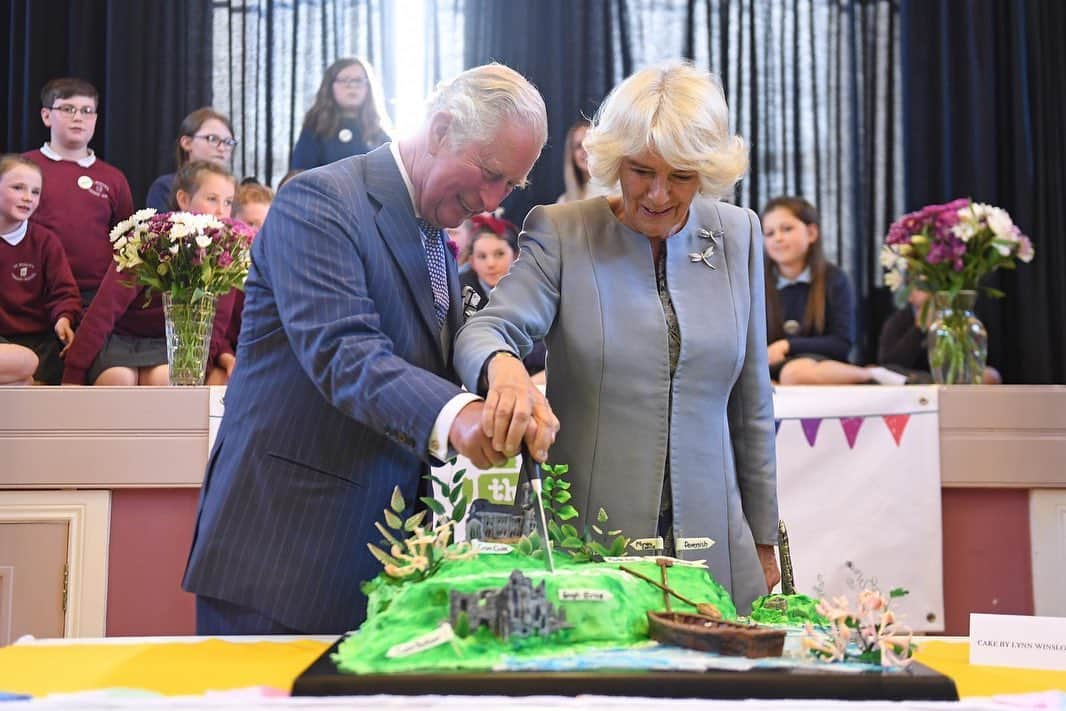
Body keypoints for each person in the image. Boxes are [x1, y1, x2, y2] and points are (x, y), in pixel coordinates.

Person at [183, 63, 556, 635]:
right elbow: (345, 352)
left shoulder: (433, 232)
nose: (490, 201)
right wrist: (461, 418)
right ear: (439, 128)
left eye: (509, 186)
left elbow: (442, 352)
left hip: (379, 564)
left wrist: (505, 380)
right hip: (282, 560)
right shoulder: (320, 200)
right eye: (488, 173)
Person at [454, 62, 780, 614]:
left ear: (706, 170)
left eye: (680, 175)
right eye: (640, 171)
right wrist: (503, 368)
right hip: (589, 540)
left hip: (718, 541)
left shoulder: (739, 234)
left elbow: (751, 403)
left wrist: (764, 535)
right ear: (611, 161)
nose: (657, 194)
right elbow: (485, 328)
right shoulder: (562, 232)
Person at [62, 161, 237, 386]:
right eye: (212, 199)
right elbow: (105, 309)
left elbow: (215, 325)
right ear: (183, 200)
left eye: (228, 202)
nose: (221, 211)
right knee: (118, 379)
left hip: (169, 345)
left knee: (165, 381)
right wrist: (73, 373)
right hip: (120, 338)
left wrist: (199, 368)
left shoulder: (223, 256)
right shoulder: (150, 242)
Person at [24, 78, 134, 306]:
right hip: (33, 290)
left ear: (95, 118)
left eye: (87, 111)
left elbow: (126, 240)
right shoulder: (23, 168)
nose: (78, 117)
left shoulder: (113, 177)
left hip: (95, 295)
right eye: (67, 109)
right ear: (46, 116)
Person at [762, 196, 874, 385]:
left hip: (820, 367)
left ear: (812, 233)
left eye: (786, 229)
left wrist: (788, 345)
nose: (778, 238)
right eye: (769, 233)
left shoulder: (834, 279)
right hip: (771, 370)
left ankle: (870, 375)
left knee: (794, 374)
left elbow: (841, 344)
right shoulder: (757, 282)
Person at [0, 155, 81, 385]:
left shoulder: (45, 241)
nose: (28, 198)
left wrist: (64, 318)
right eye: (18, 188)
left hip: (38, 341)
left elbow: (64, 292)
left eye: (35, 192)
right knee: (22, 374)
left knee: (33, 375)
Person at [459, 213, 545, 379]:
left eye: (499, 254)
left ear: (516, 255)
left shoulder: (536, 286)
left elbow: (547, 344)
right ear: (472, 261)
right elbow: (468, 345)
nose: (490, 264)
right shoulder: (463, 290)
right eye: (482, 256)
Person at [205, 180, 274, 385]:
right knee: (220, 381)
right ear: (233, 222)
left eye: (265, 224)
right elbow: (217, 334)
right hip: (226, 356)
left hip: (264, 359)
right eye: (250, 224)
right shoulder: (221, 270)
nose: (258, 233)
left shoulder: (277, 270)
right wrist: (229, 361)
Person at [878, 288, 1002, 384]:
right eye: (923, 287)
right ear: (910, 295)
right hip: (916, 380)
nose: (931, 292)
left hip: (955, 379)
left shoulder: (960, 320)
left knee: (990, 375)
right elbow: (889, 364)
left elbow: (978, 360)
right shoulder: (898, 321)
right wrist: (918, 329)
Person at [289, 58, 391, 171]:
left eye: (358, 80)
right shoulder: (315, 129)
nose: (352, 86)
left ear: (368, 87)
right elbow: (299, 176)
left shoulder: (379, 131)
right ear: (329, 86)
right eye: (344, 80)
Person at [146, 108, 237, 210]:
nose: (222, 148)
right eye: (213, 139)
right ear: (187, 143)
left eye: (228, 142)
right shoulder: (165, 187)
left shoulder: (236, 188)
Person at [556, 117, 614, 204]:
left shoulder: (617, 190)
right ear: (572, 155)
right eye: (579, 146)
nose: (585, 149)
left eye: (589, 143)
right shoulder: (563, 202)